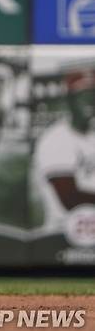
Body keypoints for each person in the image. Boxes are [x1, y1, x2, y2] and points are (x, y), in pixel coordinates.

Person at [32, 68, 95, 232]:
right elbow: (70, 198)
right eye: (83, 96)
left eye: (93, 96)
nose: (90, 102)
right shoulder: (56, 139)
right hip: (62, 236)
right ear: (70, 101)